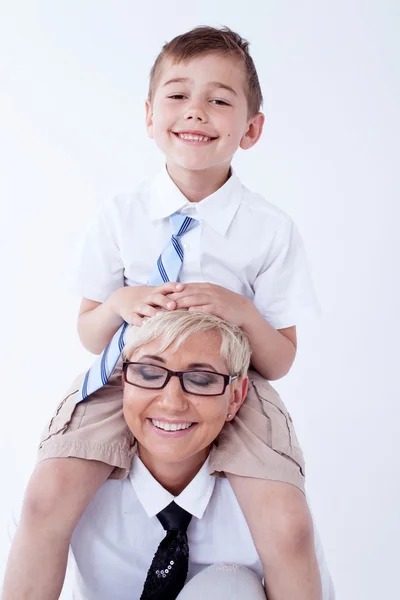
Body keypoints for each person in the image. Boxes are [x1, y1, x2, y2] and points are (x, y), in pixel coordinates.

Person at [2, 26, 323, 600]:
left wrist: (242, 313)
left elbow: (280, 360)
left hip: (229, 383)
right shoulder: (121, 215)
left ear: (250, 130)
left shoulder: (270, 229)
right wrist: (122, 305)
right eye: (178, 96)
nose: (196, 111)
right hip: (129, 376)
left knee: (289, 524)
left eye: (219, 99)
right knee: (45, 496)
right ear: (150, 116)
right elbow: (87, 332)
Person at [68, 310, 334, 599]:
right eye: (148, 373)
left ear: (235, 397)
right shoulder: (70, 493)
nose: (171, 403)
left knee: (229, 587)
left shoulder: (274, 512)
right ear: (124, 383)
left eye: (201, 380)